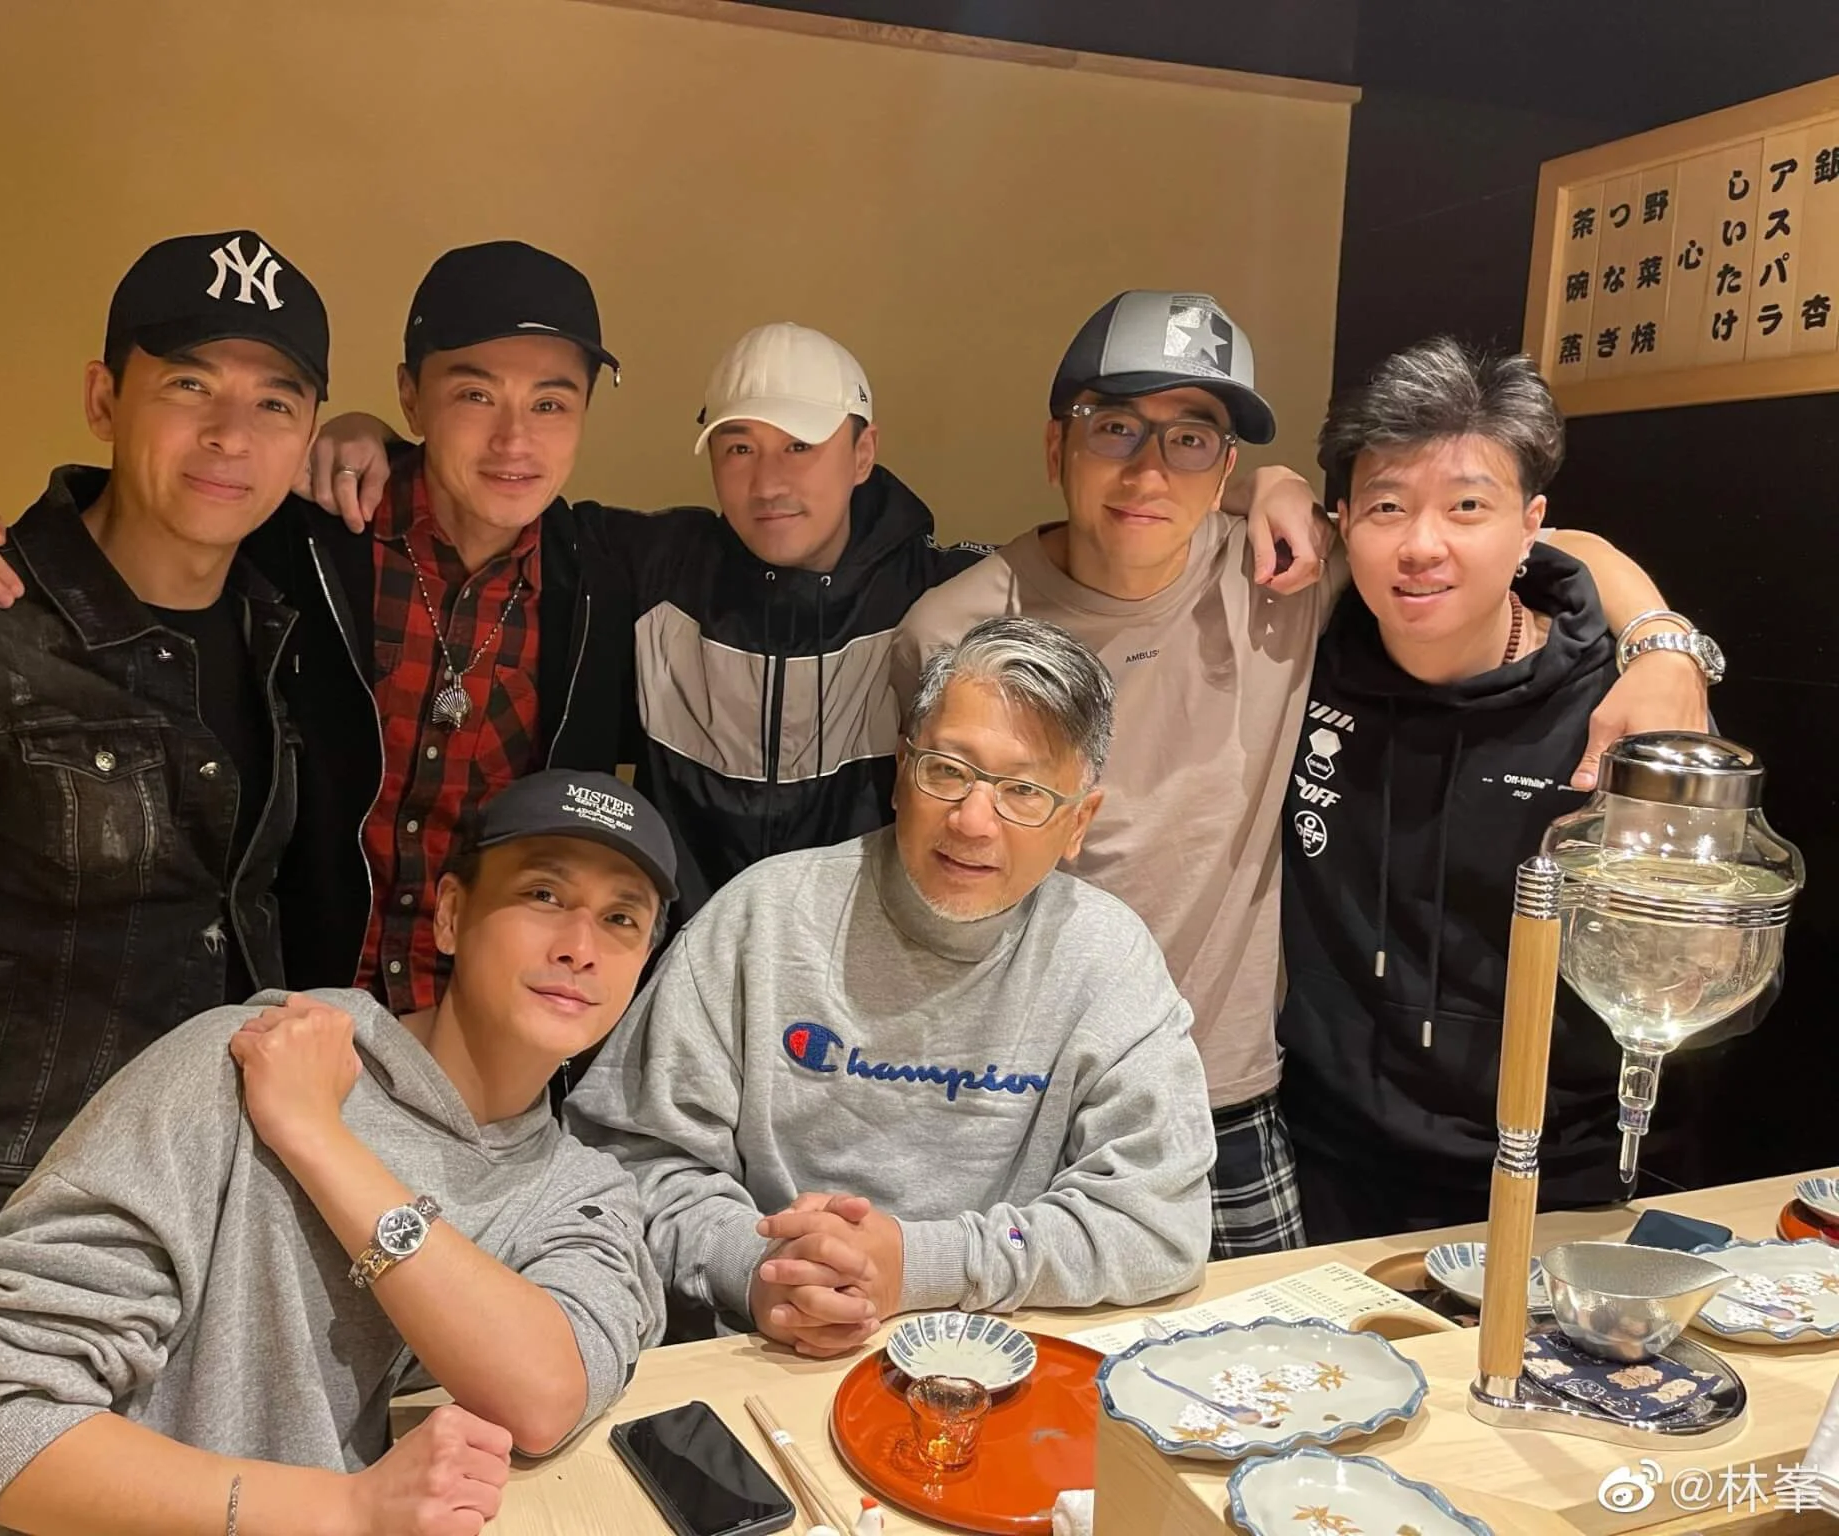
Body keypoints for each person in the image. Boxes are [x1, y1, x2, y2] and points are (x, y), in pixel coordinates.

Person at [893, 291, 1709, 1260]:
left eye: (1191, 440)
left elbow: (1536, 545)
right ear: (1054, 445)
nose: (1148, 468)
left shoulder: (1282, 583)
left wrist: (1665, 644)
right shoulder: (953, 633)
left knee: (1257, 1349)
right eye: (1113, 427)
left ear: (1223, 466)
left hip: (1231, 1099)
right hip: (1009, 1090)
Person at [0, 229, 371, 1536]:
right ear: (105, 397)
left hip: (217, 1229)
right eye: (188, 386)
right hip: (11, 1260)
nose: (229, 435)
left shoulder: (285, 620)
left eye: (273, 403)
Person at [299, 320, 1325, 931]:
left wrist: (1260, 485)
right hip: (672, 983)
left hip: (859, 992)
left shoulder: (939, 595)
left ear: (862, 451)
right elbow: (496, 492)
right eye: (738, 447)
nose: (769, 479)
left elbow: (1109, 528)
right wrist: (374, 437)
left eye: (800, 445)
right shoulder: (643, 567)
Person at [0, 770, 673, 1536]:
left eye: (621, 919)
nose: (580, 947)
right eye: (544, 895)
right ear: (451, 915)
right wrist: (343, 1511)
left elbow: (544, 1399)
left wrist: (318, 1141)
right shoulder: (252, 1057)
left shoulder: (578, 1190)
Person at [0, 240, 639, 1017]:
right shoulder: (297, 535)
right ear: (411, 397)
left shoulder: (610, 579)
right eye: (474, 395)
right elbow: (146, 521)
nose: (514, 440)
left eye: (550, 404)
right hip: (281, 1024)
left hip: (481, 1041)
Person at [565, 616, 1216, 1355]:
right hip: (767, 1355)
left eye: (1024, 791)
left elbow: (1158, 1223)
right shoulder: (762, 918)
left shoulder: (1107, 959)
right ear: (902, 771)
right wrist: (762, 1268)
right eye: (948, 770)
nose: (974, 821)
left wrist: (918, 1264)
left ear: (1078, 824)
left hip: (1000, 1361)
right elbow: (622, 1160)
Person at [1277, 339, 1736, 1240]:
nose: (1422, 546)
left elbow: (1705, 976)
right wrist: (1266, 483)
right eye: (1387, 507)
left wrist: (1665, 642)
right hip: (1327, 1162)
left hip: (1567, 1176)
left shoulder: (1622, 711)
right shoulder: (1298, 656)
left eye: (1467, 507)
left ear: (1531, 527)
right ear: (1342, 522)